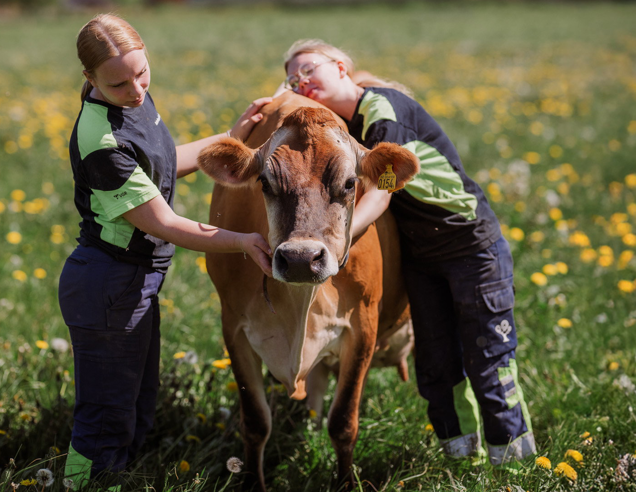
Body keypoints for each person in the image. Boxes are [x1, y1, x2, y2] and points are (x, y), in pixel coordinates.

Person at [275, 40, 535, 469]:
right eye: (292, 78)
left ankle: (514, 463)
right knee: (434, 361)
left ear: (340, 67)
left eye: (308, 70)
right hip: (422, 253)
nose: (301, 81)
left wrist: (333, 245)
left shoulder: (382, 110)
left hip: (470, 245)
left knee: (487, 356)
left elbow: (380, 193)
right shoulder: (341, 129)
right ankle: (460, 459)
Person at [59, 14, 272, 489]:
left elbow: (163, 162)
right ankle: (79, 483)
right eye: (118, 83)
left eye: (142, 73)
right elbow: (165, 223)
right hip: (108, 285)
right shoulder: (100, 140)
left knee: (136, 406)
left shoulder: (132, 102)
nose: (136, 90)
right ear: (89, 79)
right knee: (105, 420)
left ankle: (114, 479)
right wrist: (242, 241)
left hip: (134, 282)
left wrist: (230, 139)